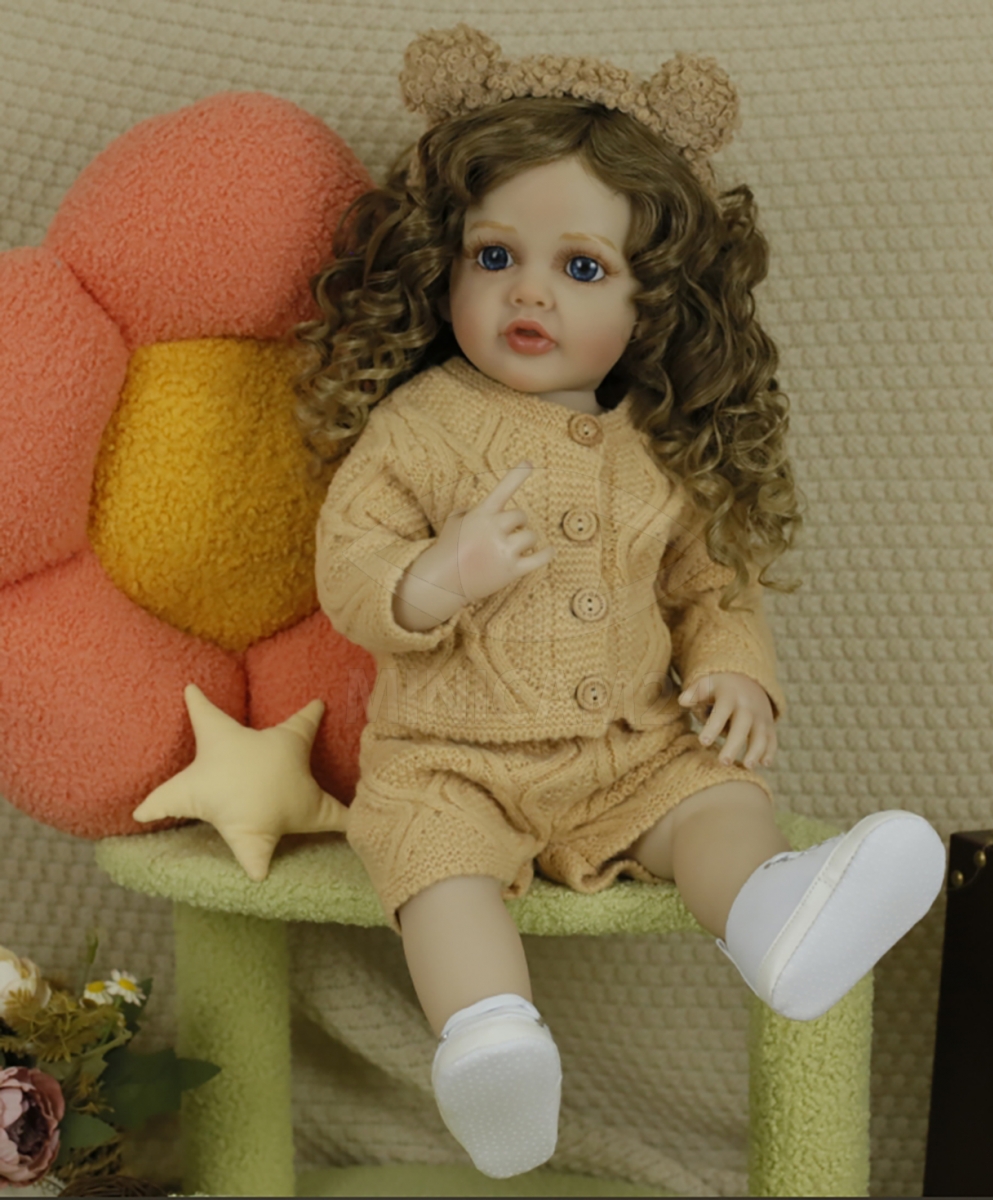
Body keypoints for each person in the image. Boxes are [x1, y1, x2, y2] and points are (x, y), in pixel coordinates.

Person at [295, 25, 945, 1179]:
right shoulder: (418, 427)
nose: (527, 291)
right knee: (433, 866)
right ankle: (491, 1042)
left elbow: (707, 583)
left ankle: (774, 920)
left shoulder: (654, 442)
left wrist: (736, 671)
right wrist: (439, 574)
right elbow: (348, 565)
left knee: (715, 796)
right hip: (453, 756)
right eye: (495, 255)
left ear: (654, 304)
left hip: (629, 749)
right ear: (443, 261)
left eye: (581, 269)